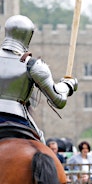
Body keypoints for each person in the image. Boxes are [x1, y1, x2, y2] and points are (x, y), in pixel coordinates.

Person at [0, 15, 77, 143]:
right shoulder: (33, 65)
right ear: (28, 36)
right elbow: (58, 101)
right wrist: (68, 85)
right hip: (17, 116)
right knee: (41, 145)